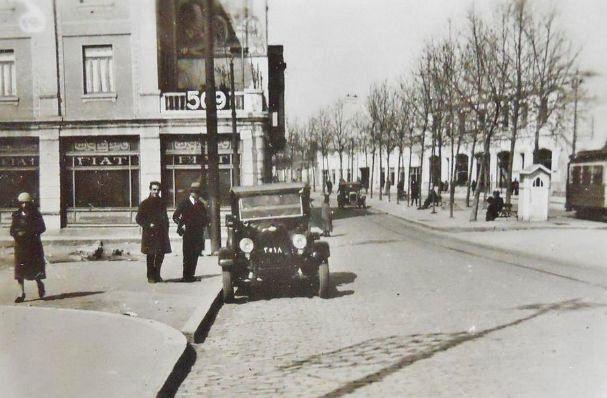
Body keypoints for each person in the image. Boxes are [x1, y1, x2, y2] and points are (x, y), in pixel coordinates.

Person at [10, 192, 46, 303]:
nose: (24, 205)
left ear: (30, 203)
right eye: (22, 203)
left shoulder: (36, 214)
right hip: (21, 247)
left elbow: (42, 228)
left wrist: (29, 233)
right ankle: (21, 293)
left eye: (26, 203)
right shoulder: (16, 215)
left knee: (35, 269)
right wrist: (17, 233)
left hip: (33, 246)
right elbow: (12, 230)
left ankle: (39, 284)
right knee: (19, 271)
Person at [136, 181, 171, 283]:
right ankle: (150, 276)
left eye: (158, 190)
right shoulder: (144, 203)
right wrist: (148, 224)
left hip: (161, 233)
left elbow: (165, 217)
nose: (156, 192)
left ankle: (157, 275)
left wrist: (166, 228)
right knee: (151, 255)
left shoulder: (162, 203)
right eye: (154, 189)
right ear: (150, 190)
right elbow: (138, 218)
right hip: (150, 234)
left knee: (160, 255)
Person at [173, 182, 208, 282]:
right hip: (187, 232)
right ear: (190, 192)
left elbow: (205, 218)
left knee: (195, 253)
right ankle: (186, 276)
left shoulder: (200, 204)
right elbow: (175, 216)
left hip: (197, 232)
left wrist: (203, 224)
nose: (195, 194)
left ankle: (191, 275)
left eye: (197, 192)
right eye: (193, 192)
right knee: (187, 254)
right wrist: (181, 225)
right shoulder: (184, 202)